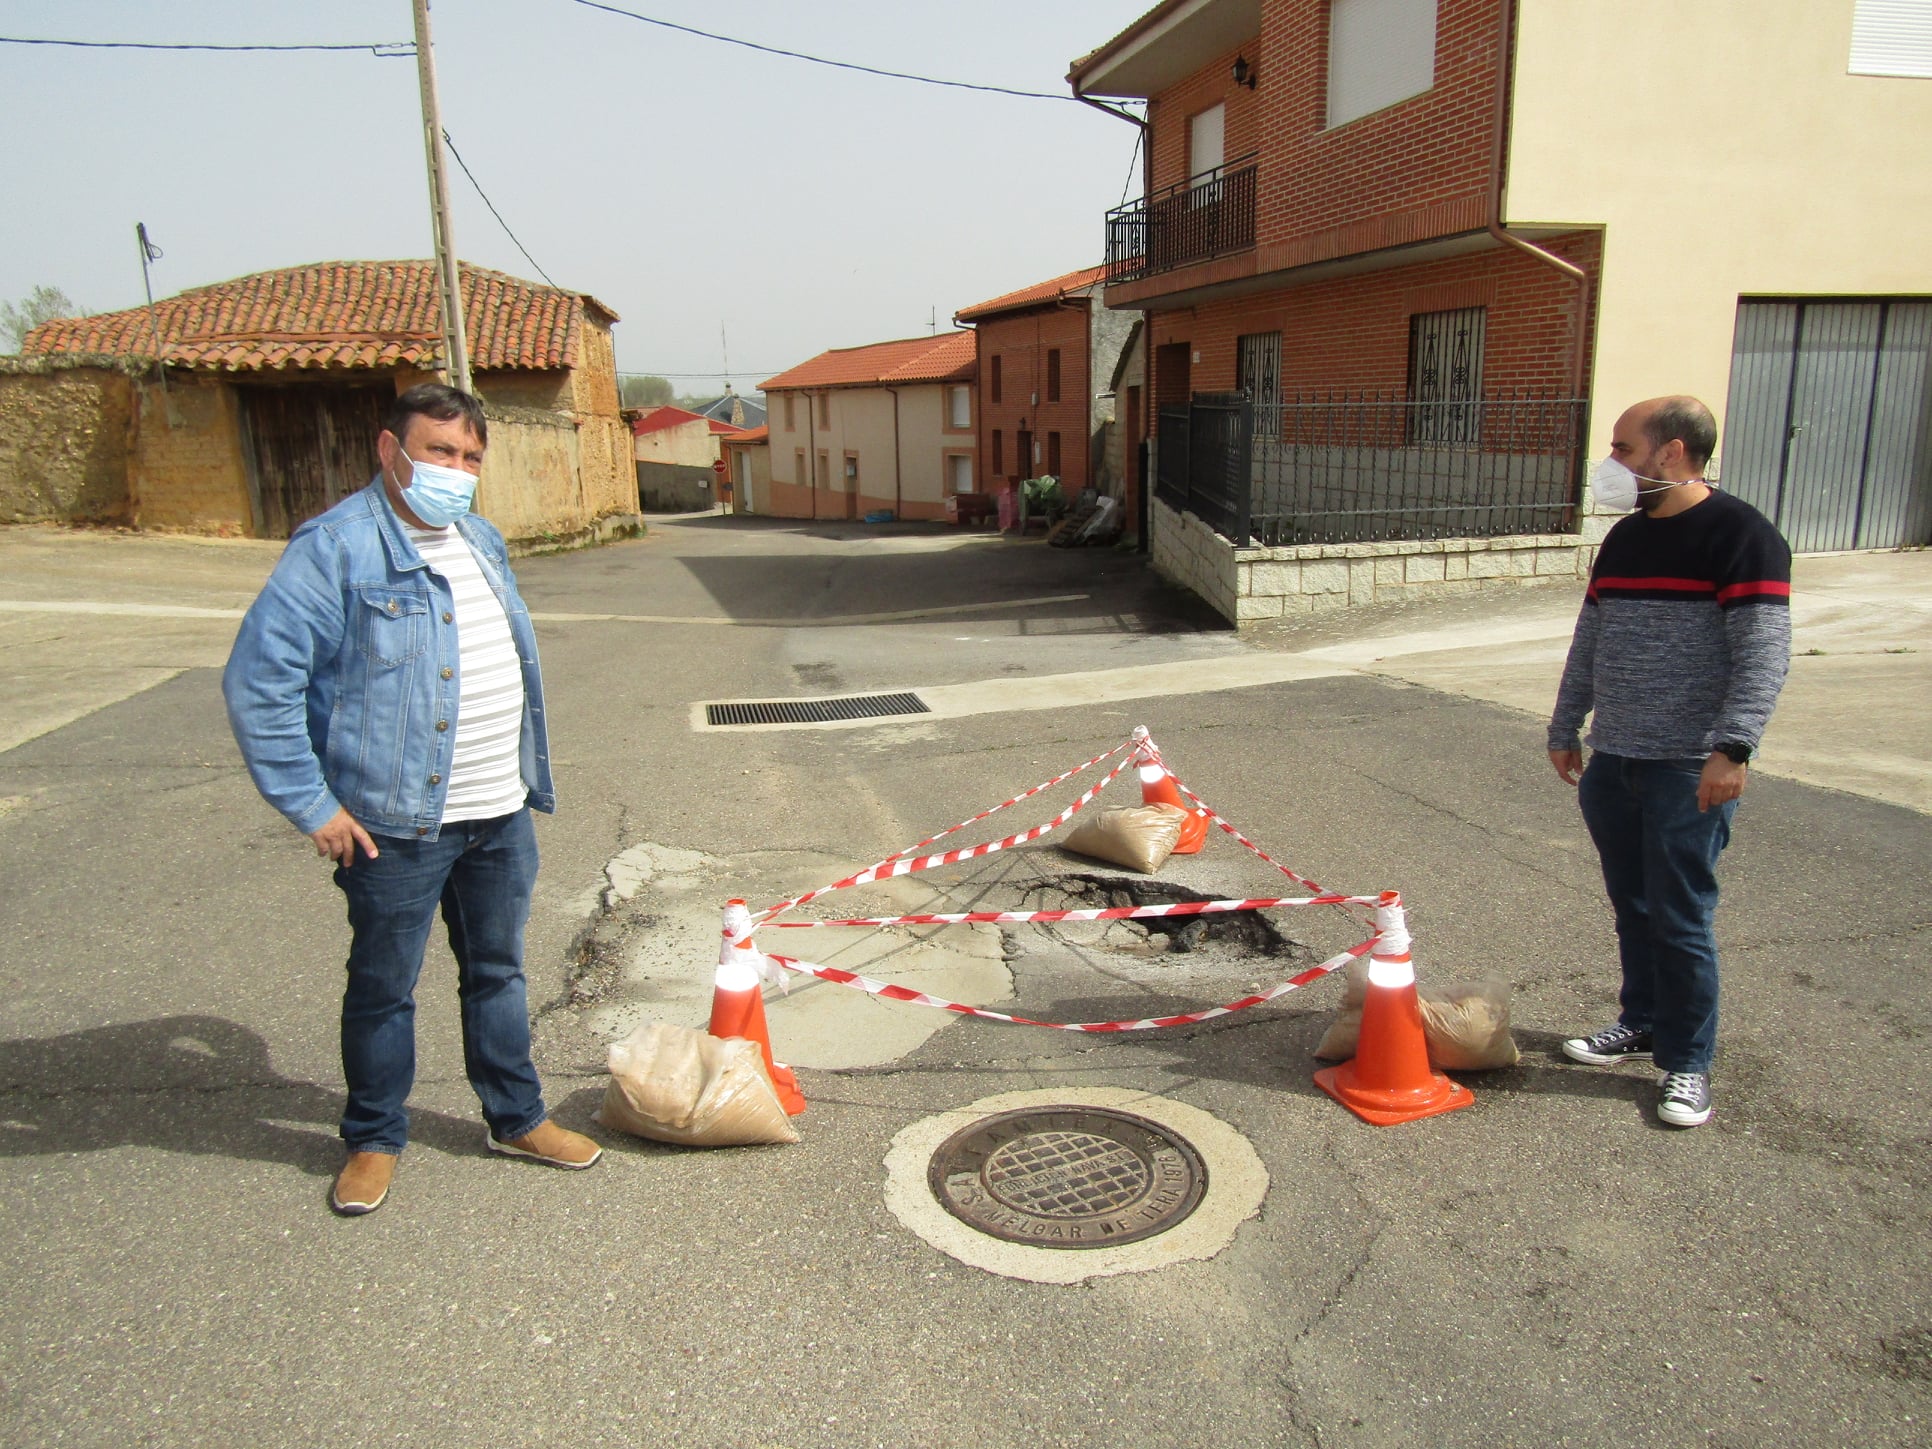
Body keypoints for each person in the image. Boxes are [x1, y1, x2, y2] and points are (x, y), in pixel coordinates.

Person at [224, 382, 601, 1215]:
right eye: (440, 451)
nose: (457, 471)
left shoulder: (480, 538)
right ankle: (372, 1137)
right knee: (384, 986)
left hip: (498, 809)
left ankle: (517, 1116)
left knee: (497, 971)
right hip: (394, 824)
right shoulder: (335, 548)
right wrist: (313, 804)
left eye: (470, 457)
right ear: (391, 451)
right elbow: (260, 683)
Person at [1547, 395, 1791, 1128]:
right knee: (1635, 907)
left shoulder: (1741, 536)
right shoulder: (1624, 540)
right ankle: (1643, 1019)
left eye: (1624, 448)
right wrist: (1567, 723)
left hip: (1689, 767)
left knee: (1682, 919)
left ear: (1673, 453)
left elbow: (1763, 655)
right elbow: (1590, 638)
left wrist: (1733, 748)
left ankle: (1688, 1062)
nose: (1612, 463)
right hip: (1614, 759)